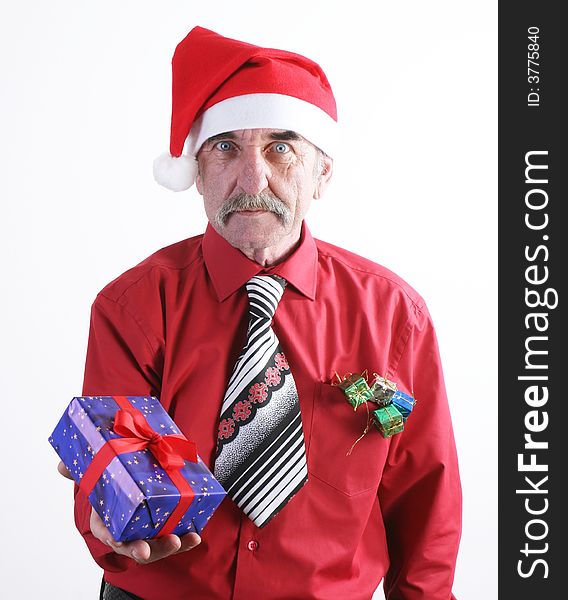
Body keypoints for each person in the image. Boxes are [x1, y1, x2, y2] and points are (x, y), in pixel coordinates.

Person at [59, 25, 462, 600]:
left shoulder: (396, 316)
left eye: (281, 147)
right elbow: (108, 457)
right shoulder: (132, 307)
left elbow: (425, 498)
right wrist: (105, 520)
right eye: (226, 147)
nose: (252, 179)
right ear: (197, 171)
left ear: (322, 171)